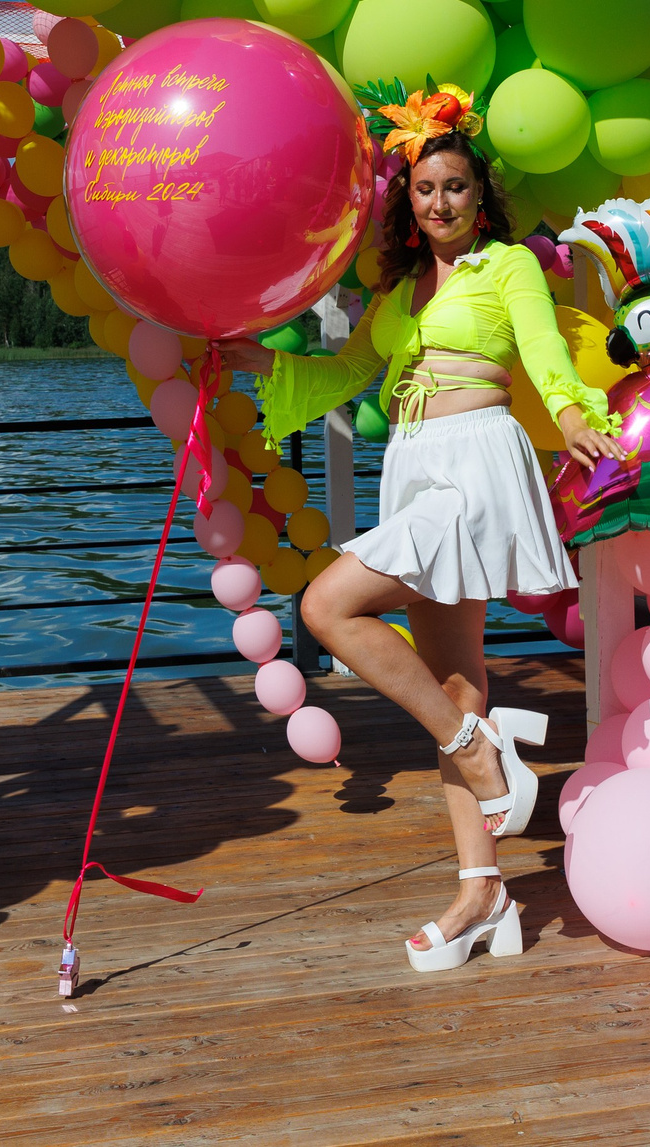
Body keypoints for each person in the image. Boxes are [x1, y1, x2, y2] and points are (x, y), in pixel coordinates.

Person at [221, 85, 622, 973]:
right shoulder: (400, 290)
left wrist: (573, 409)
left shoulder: (507, 266)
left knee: (328, 608)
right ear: (409, 199)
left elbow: (544, 353)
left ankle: (483, 754)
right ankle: (483, 890)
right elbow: (353, 369)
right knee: (454, 683)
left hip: (475, 463)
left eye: (456, 188)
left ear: (482, 198)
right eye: (425, 189)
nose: (440, 202)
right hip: (413, 461)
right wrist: (264, 361)